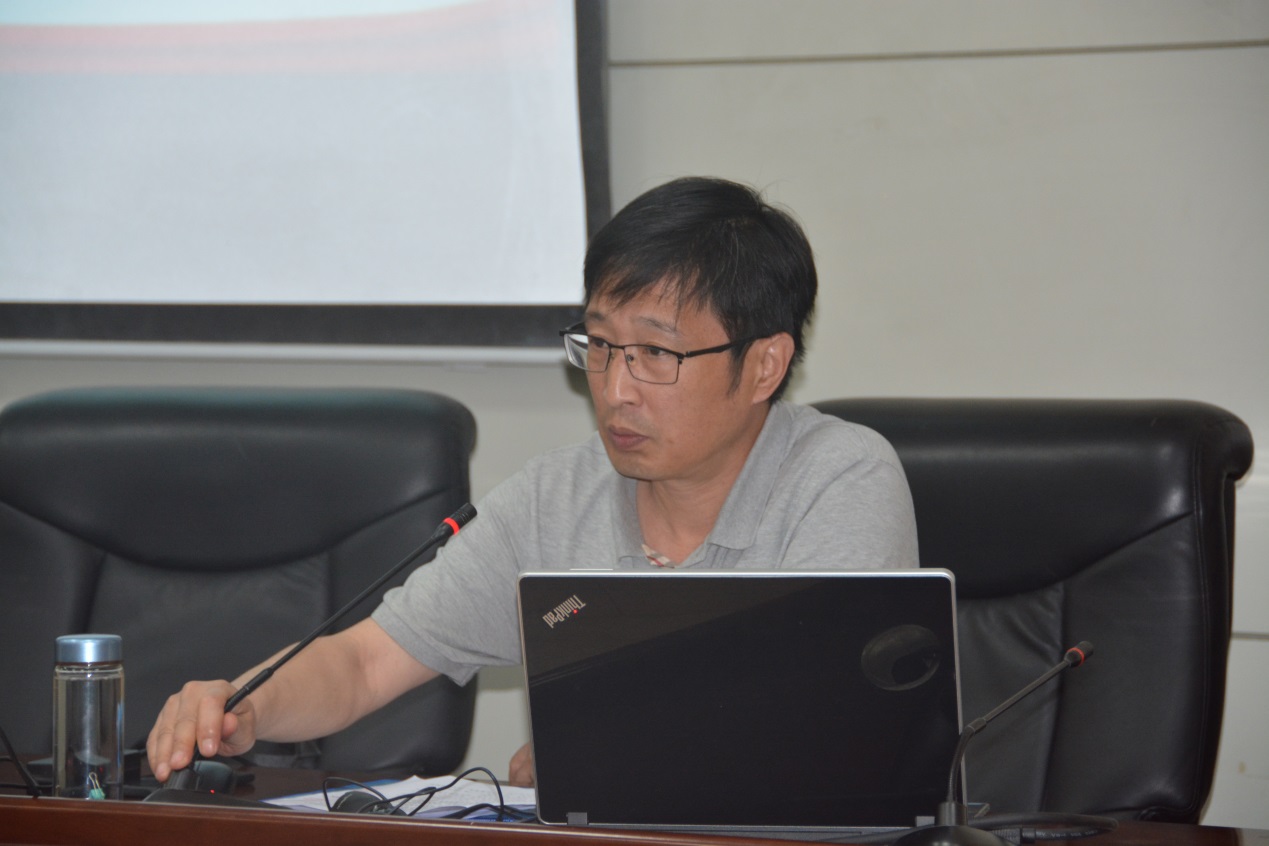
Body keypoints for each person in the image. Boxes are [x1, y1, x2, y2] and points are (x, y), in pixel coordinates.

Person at [146, 176, 919, 788]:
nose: (615, 388)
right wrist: (243, 705)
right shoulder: (556, 497)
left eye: (655, 354)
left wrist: (611, 751)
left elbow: (817, 729)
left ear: (764, 365)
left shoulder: (838, 478)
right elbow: (364, 663)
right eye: (600, 345)